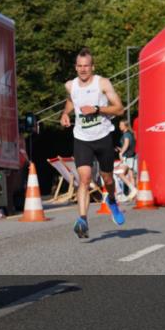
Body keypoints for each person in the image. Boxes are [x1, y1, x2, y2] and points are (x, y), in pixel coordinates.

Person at [60, 48, 127, 239]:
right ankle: (82, 220)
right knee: (85, 179)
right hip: (82, 138)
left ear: (92, 67)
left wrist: (97, 109)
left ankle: (112, 200)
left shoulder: (102, 83)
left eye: (86, 66)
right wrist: (65, 114)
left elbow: (120, 109)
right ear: (75, 67)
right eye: (79, 66)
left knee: (107, 179)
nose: (82, 70)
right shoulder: (70, 85)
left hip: (103, 136)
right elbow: (71, 101)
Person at [117, 119, 137, 187]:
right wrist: (120, 149)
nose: (119, 126)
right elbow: (129, 146)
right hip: (131, 156)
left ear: (125, 126)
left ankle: (132, 189)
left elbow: (126, 144)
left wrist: (121, 153)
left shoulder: (126, 134)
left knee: (120, 174)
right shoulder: (130, 133)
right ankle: (134, 194)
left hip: (126, 157)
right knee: (131, 175)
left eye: (121, 125)